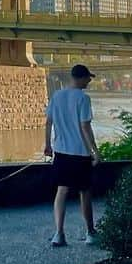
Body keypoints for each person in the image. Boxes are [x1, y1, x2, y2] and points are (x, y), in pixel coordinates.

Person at [44, 64, 101, 247]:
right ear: (82, 78)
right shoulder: (83, 98)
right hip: (80, 152)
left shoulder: (57, 95)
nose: (90, 81)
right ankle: (90, 232)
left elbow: (48, 122)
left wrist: (47, 145)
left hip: (61, 151)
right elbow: (85, 127)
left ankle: (59, 233)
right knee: (85, 192)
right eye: (88, 78)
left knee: (62, 191)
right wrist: (95, 151)